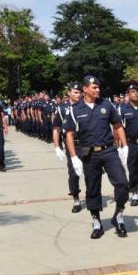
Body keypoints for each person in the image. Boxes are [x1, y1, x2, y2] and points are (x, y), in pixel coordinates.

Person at [64, 75, 130, 239]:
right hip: (88, 153)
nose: (98, 90)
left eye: (99, 87)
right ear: (85, 89)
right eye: (94, 87)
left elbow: (118, 125)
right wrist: (73, 157)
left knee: (122, 183)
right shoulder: (74, 109)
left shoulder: (106, 105)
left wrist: (125, 145)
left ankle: (118, 215)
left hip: (109, 151)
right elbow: (70, 135)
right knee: (92, 189)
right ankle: (96, 221)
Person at [52, 83, 83, 213]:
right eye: (75, 92)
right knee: (73, 173)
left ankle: (93, 196)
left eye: (79, 92)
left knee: (91, 171)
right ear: (69, 93)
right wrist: (57, 147)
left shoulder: (84, 106)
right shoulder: (62, 109)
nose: (78, 95)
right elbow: (56, 129)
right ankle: (76, 198)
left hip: (86, 142)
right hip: (72, 144)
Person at [120, 83, 138, 206]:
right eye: (133, 92)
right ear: (128, 95)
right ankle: (135, 193)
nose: (136, 94)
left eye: (137, 92)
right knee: (133, 168)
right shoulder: (122, 109)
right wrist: (122, 145)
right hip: (132, 144)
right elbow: (118, 128)